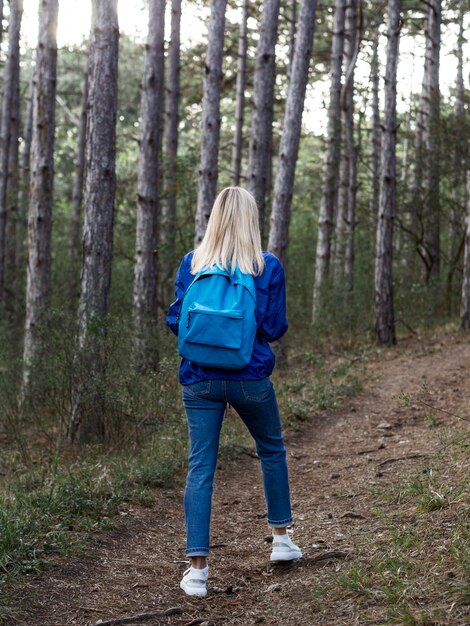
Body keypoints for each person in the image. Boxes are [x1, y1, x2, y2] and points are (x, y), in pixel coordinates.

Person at [166, 186, 301, 598]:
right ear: (251, 221)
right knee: (271, 450)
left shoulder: (193, 263)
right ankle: (281, 540)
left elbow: (176, 321)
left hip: (200, 380)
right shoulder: (267, 266)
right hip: (250, 377)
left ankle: (197, 572)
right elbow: (275, 328)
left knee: (201, 467)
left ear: (215, 219)